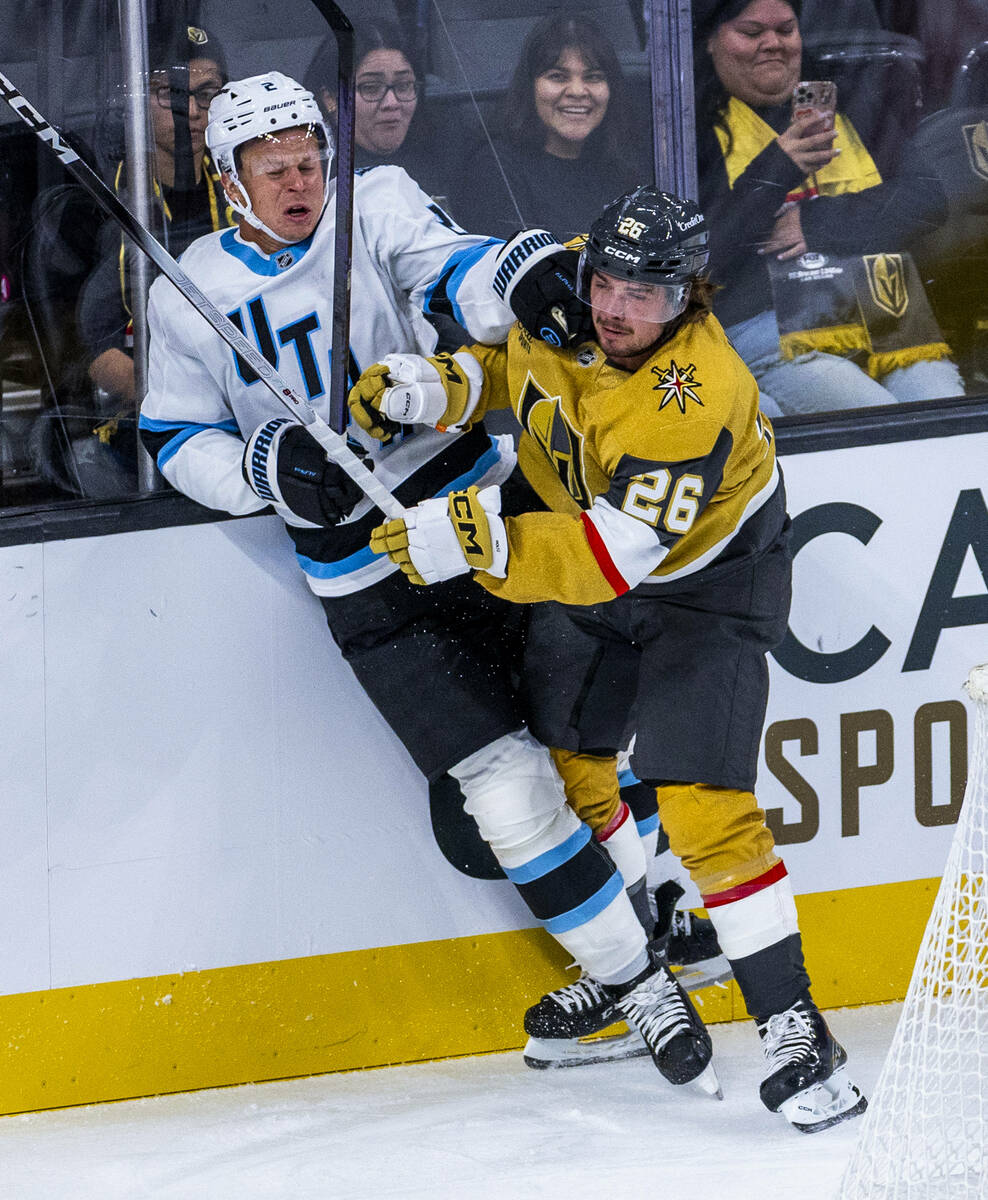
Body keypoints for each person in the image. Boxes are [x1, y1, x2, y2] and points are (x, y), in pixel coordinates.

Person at [138, 72, 716, 1097]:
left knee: (589, 742)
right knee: (506, 794)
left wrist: (526, 275)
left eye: (309, 158)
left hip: (478, 520)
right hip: (364, 580)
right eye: (272, 168)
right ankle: (639, 985)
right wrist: (262, 471)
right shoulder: (187, 289)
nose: (299, 181)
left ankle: (663, 913)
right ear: (231, 184)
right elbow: (176, 436)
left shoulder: (381, 202)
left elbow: (457, 275)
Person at [356, 185, 868, 1132]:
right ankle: (638, 966)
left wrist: (471, 544)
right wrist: (436, 390)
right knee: (578, 765)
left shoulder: (697, 394)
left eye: (649, 294)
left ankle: (800, 1033)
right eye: (610, 282)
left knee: (704, 807)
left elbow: (606, 558)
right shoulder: (573, 293)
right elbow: (512, 371)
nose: (619, 309)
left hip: (705, 589)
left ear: (691, 297)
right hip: (590, 559)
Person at [692, 0, 965, 416]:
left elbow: (927, 200)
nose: (773, 44)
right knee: (875, 416)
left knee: (940, 407)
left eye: (786, 30)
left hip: (882, 316)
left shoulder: (847, 100)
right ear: (712, 41)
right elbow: (706, 252)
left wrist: (814, 223)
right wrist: (778, 167)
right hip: (771, 330)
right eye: (752, 33)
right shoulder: (687, 125)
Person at [79, 22, 232, 412]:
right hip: (152, 417)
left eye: (208, 93)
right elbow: (91, 344)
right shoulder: (101, 201)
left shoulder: (243, 186)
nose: (194, 111)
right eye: (172, 94)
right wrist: (184, 410)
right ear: (134, 100)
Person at [449, 13, 648, 243]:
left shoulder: (624, 168)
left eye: (593, 77)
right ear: (530, 86)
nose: (577, 91)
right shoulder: (495, 170)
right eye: (557, 76)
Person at [304, 19, 454, 205]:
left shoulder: (449, 159)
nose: (392, 103)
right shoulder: (307, 178)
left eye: (404, 85)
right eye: (371, 88)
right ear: (330, 98)